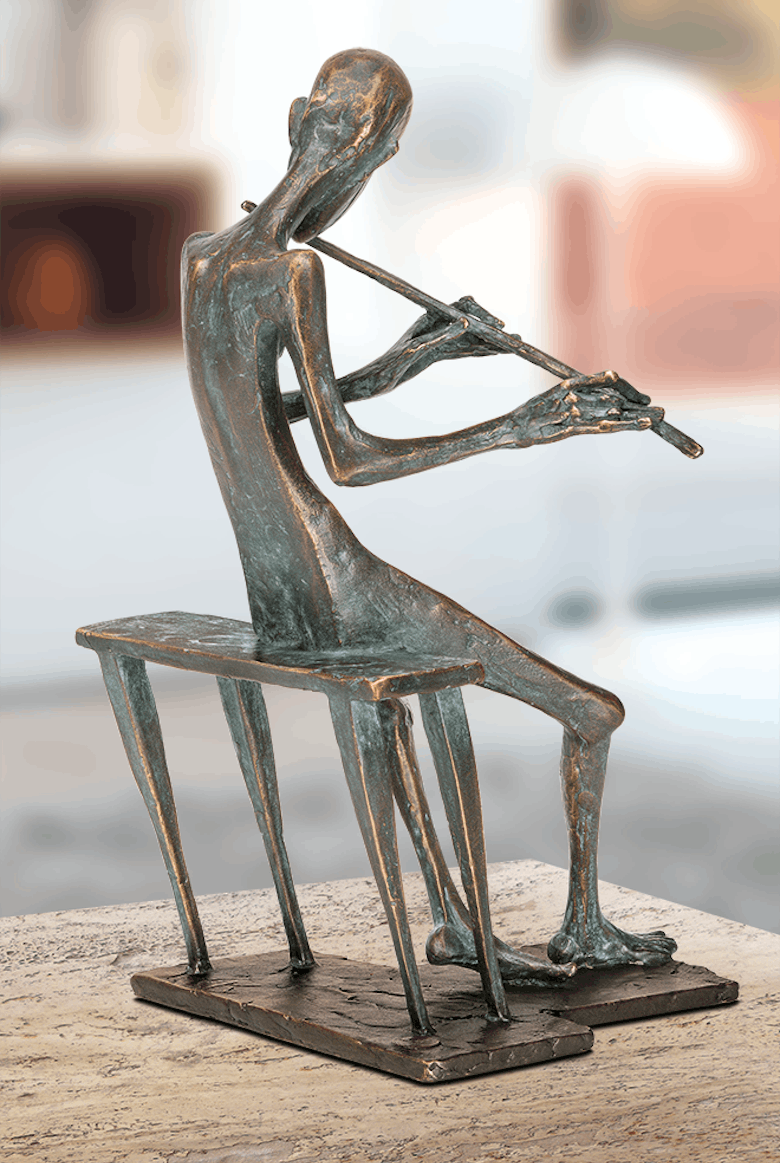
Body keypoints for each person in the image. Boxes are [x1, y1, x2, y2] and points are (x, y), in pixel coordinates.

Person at [182, 48, 676, 976]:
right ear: (376, 155)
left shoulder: (204, 258)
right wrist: (521, 426)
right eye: (382, 150)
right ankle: (576, 927)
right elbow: (350, 462)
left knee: (425, 710)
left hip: (278, 589)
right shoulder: (295, 271)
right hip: (334, 577)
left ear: (298, 120)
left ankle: (462, 923)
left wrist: (410, 361)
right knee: (594, 712)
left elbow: (255, 409)